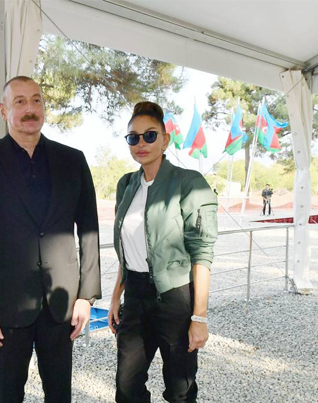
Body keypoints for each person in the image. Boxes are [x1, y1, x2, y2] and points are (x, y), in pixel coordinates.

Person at [0, 76, 101, 403]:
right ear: (4, 110)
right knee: (7, 395)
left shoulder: (73, 160)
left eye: (36, 100)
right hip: (3, 307)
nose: (30, 108)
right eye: (19, 102)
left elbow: (89, 231)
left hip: (61, 304)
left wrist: (86, 296)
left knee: (60, 395)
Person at [108, 101, 218, 403]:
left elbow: (202, 253)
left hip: (175, 298)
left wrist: (199, 318)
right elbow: (127, 248)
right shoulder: (126, 184)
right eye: (133, 137)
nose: (141, 143)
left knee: (180, 390)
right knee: (127, 388)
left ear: (165, 139)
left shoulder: (189, 183)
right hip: (135, 296)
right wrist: (117, 296)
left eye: (150, 135)